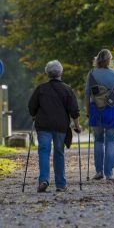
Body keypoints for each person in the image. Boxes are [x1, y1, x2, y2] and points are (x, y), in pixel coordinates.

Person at [28, 60, 81, 193]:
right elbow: (74, 110)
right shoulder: (68, 89)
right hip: (60, 126)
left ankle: (44, 180)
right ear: (60, 73)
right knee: (59, 153)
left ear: (47, 73)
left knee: (44, 152)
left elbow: (31, 106)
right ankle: (61, 184)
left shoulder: (41, 89)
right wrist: (77, 125)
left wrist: (34, 114)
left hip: (43, 125)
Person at [84, 49, 114, 181]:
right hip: (111, 110)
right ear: (109, 60)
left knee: (98, 140)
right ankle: (109, 173)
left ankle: (99, 171)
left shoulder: (91, 74)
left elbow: (87, 94)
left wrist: (88, 112)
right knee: (110, 141)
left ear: (97, 59)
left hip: (96, 110)